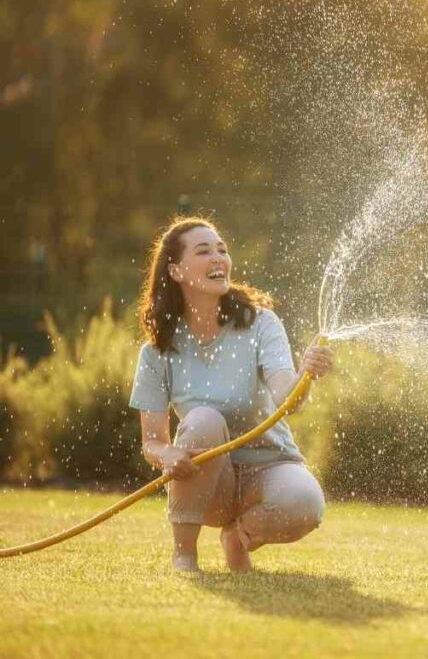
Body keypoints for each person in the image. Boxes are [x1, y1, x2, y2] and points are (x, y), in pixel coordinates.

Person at [129, 217, 333, 572]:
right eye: (204, 251)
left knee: (306, 503)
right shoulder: (157, 352)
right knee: (204, 420)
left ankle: (238, 538)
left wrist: (305, 376)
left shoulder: (261, 323)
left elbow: (288, 398)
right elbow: (152, 443)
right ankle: (185, 555)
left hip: (270, 465)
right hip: (208, 486)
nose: (218, 258)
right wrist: (169, 455)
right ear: (176, 270)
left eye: (222, 250)